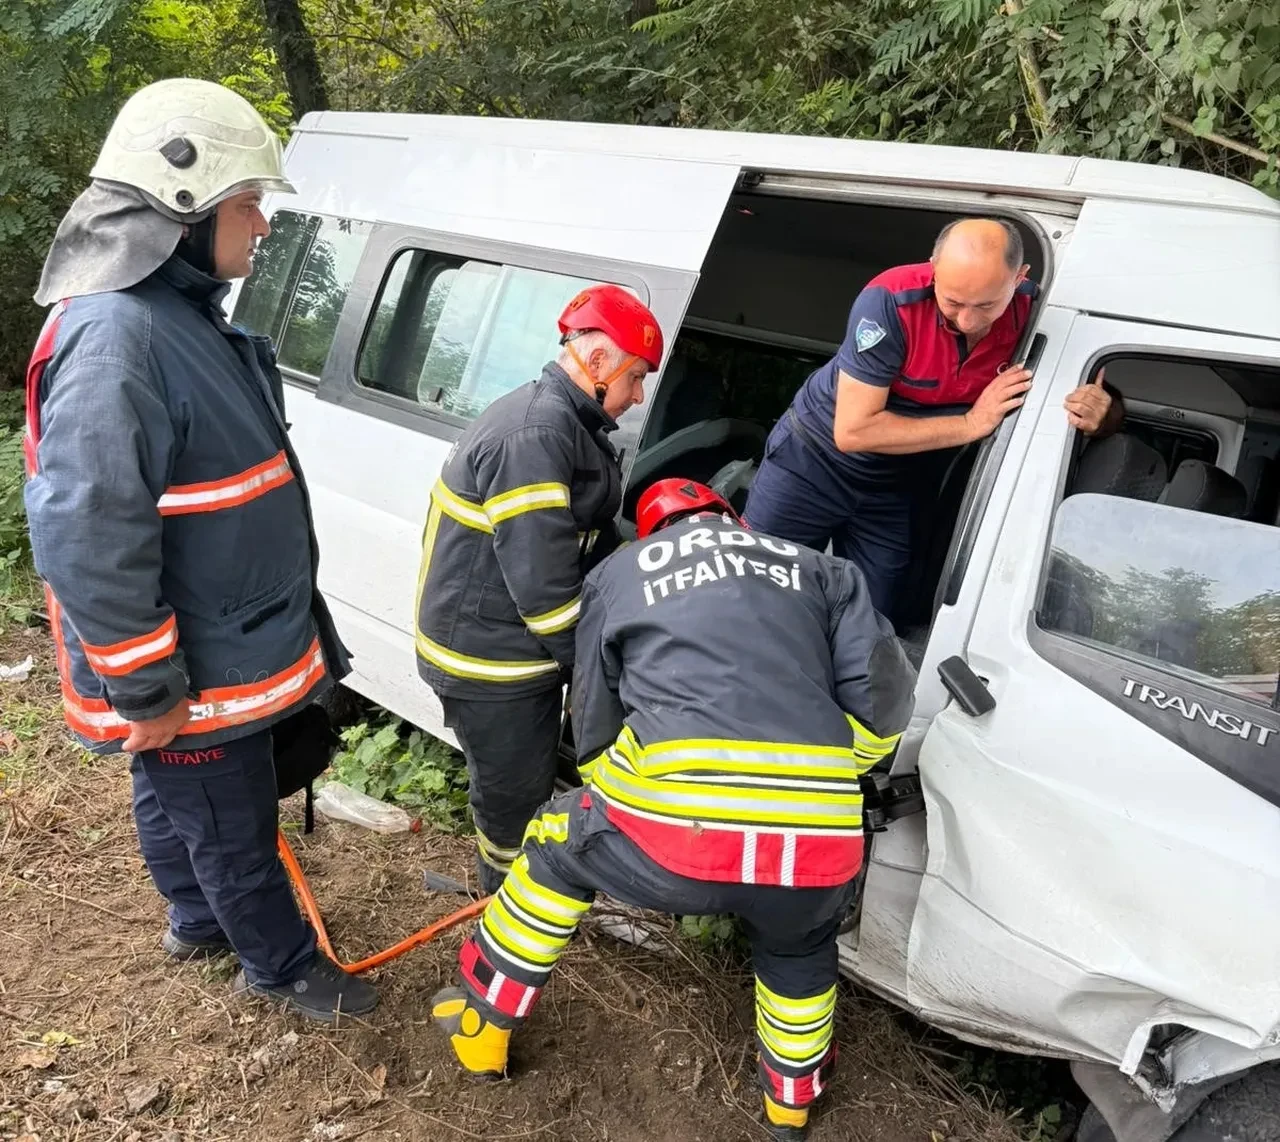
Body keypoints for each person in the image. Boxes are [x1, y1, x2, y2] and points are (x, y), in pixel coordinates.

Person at [22, 78, 376, 1022]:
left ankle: (195, 920)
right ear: (181, 207)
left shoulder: (168, 316)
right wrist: (148, 688)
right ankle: (283, 967)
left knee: (175, 795)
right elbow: (86, 532)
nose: (261, 224)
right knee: (228, 823)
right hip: (194, 664)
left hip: (218, 641)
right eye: (247, 202)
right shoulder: (117, 339)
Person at [430, 478, 918, 1140]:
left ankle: (481, 1026)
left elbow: (595, 728)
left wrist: (624, 799)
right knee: (800, 945)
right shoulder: (823, 571)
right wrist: (827, 772)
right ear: (735, 522)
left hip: (676, 843)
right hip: (814, 849)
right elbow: (884, 700)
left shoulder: (618, 575)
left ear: (650, 531)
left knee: (553, 843)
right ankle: (790, 1104)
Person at [744, 217, 1123, 625]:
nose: (968, 321)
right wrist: (971, 424)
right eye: (954, 302)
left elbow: (1099, 398)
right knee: (755, 591)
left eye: (986, 306)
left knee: (872, 620)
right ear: (933, 269)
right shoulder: (891, 301)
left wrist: (1102, 414)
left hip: (896, 483)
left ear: (1019, 279)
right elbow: (853, 431)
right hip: (813, 464)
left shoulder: (1038, 313)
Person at [414, 284, 664, 895]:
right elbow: (546, 591)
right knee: (514, 798)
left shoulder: (567, 424)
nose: (637, 397)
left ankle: (519, 893)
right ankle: (504, 908)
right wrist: (595, 673)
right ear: (599, 362)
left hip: (508, 645)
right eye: (636, 378)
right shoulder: (536, 434)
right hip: (489, 660)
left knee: (522, 783)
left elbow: (588, 536)